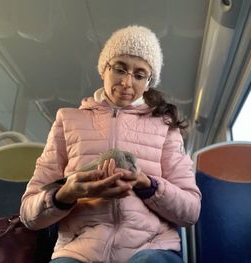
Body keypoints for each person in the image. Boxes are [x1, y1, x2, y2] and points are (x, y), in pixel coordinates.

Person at [20, 25, 201, 263]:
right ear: (104, 69)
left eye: (139, 75)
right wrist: (69, 192)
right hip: (78, 251)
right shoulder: (67, 120)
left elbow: (190, 211)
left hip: (150, 247)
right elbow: (29, 215)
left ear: (148, 82)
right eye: (120, 69)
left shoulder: (165, 126)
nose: (127, 82)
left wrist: (147, 184)